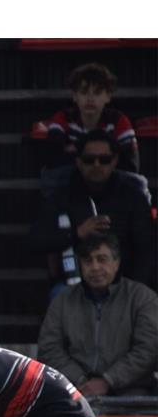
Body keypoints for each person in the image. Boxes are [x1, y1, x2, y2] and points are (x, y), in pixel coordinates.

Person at [29, 130, 156, 290]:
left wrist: (133, 290)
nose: (97, 165)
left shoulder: (133, 197)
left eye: (104, 160)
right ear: (78, 161)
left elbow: (146, 249)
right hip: (74, 284)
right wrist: (77, 233)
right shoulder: (61, 196)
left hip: (123, 284)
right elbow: (36, 240)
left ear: (115, 161)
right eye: (89, 160)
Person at [38, 234, 158, 397]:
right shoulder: (63, 300)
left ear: (116, 263)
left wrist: (108, 381)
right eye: (88, 261)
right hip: (75, 388)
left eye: (102, 259)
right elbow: (49, 349)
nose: (95, 267)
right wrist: (81, 381)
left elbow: (148, 350)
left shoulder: (142, 298)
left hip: (130, 390)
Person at [34, 63, 141, 181]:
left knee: (135, 182)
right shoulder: (62, 118)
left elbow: (131, 165)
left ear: (108, 96)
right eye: (84, 92)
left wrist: (78, 152)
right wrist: (106, 157)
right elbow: (52, 160)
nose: (90, 99)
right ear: (75, 96)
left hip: (109, 182)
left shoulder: (119, 120)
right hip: (72, 181)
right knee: (51, 176)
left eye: (97, 92)